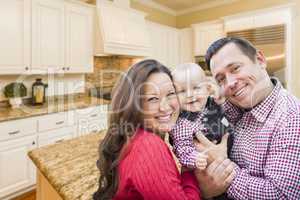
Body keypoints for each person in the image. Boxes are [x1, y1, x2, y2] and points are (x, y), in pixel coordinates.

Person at [195, 37, 300, 199]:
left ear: (260, 60)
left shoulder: (291, 118)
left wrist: (223, 167)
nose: (229, 83)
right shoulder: (230, 106)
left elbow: (282, 195)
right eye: (221, 79)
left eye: (235, 68)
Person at [93, 59, 202, 200]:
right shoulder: (149, 146)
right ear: (133, 105)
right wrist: (189, 171)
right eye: (152, 99)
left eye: (170, 94)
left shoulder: (132, 136)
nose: (165, 107)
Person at [170, 63, 233, 170]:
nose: (189, 94)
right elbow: (182, 148)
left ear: (207, 89)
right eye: (182, 91)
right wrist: (195, 158)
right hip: (209, 167)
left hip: (232, 155)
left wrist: (221, 96)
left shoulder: (215, 104)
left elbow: (231, 113)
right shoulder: (183, 124)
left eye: (196, 88)